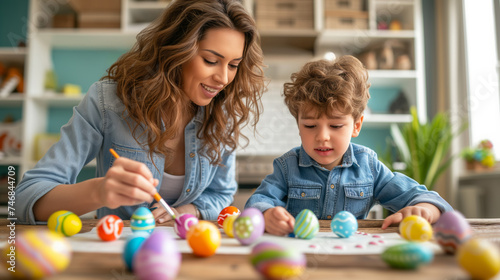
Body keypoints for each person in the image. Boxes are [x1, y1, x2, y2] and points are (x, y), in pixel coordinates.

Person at [16, 0, 266, 224]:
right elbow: (25, 197)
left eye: (234, 65)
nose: (223, 78)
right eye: (211, 61)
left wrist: (190, 210)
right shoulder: (108, 101)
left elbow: (221, 194)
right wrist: (99, 192)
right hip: (114, 252)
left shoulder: (223, 113)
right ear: (176, 51)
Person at [245, 55, 452, 236]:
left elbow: (424, 197)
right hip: (299, 255)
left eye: (335, 125)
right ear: (298, 125)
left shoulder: (368, 167)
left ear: (356, 125)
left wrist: (424, 209)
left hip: (351, 256)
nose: (322, 136)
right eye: (309, 125)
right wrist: (266, 214)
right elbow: (256, 202)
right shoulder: (287, 167)